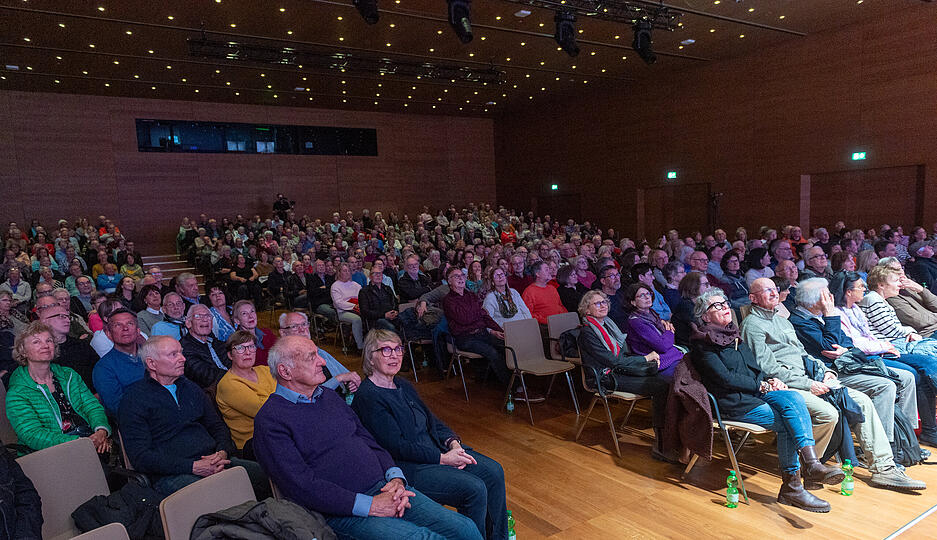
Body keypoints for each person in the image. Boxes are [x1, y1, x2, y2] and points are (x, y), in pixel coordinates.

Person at [252, 336, 482, 540]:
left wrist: (396, 478)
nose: (322, 361)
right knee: (426, 538)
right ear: (285, 372)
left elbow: (367, 439)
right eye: (312, 357)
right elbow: (301, 485)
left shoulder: (328, 397)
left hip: (384, 488)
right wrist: (370, 505)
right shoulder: (270, 420)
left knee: (465, 528)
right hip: (340, 512)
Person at [742, 277, 925, 490]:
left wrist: (825, 371)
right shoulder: (752, 325)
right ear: (753, 298)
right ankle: (808, 467)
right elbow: (768, 368)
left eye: (774, 289)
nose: (774, 293)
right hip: (785, 387)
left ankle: (884, 468)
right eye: (767, 291)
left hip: (809, 379)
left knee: (862, 401)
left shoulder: (782, 320)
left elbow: (804, 355)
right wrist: (807, 384)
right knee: (828, 413)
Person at [690, 288, 843, 513]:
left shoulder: (733, 336)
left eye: (725, 303)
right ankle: (794, 485)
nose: (725, 308)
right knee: (788, 422)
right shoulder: (702, 343)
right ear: (705, 316)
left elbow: (755, 368)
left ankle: (810, 466)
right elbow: (724, 378)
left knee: (792, 396)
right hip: (732, 402)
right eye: (717, 306)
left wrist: (770, 380)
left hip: (755, 393)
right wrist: (760, 385)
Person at [352, 329, 508, 540]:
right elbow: (397, 446)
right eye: (386, 350)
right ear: (371, 357)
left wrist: (453, 443)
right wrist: (443, 459)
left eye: (398, 349)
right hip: (411, 466)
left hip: (436, 448)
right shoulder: (368, 396)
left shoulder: (402, 384)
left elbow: (431, 420)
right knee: (474, 488)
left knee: (493, 471)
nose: (394, 355)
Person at [118, 335, 268, 496]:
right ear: (151, 363)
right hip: (173, 473)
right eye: (173, 354)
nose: (183, 359)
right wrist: (193, 466)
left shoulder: (191, 388)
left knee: (268, 475)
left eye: (181, 353)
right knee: (219, 493)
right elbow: (141, 457)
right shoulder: (134, 399)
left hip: (215, 460)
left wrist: (222, 452)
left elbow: (217, 426)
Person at [788, 278, 919, 448]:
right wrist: (830, 316)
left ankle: (908, 441)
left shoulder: (818, 317)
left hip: (849, 364)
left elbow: (848, 342)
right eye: (826, 295)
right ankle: (885, 445)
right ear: (813, 301)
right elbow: (829, 346)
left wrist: (846, 350)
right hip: (832, 373)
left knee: (907, 377)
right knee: (885, 386)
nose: (831, 297)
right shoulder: (800, 322)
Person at [577, 290, 671, 459]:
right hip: (603, 377)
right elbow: (613, 361)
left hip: (619, 370)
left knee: (665, 379)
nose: (603, 305)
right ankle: (662, 442)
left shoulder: (609, 325)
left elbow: (623, 355)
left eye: (604, 302)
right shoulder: (587, 332)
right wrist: (644, 359)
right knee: (661, 386)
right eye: (597, 303)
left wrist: (642, 360)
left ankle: (669, 435)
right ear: (587, 310)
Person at [7, 322, 111, 453]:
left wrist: (100, 431)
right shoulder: (17, 392)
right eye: (36, 342)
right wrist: (82, 443)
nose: (45, 345)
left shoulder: (69, 375)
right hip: (51, 453)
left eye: (49, 340)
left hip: (88, 437)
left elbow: (91, 406)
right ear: (23, 351)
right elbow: (32, 434)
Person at [442, 266, 514, 390]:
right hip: (465, 338)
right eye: (456, 276)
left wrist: (500, 330)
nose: (460, 278)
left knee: (507, 346)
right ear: (449, 281)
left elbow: (484, 315)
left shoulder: (471, 295)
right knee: (492, 352)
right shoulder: (448, 300)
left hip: (481, 333)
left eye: (462, 275)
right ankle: (512, 388)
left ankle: (508, 381)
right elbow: (465, 319)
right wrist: (478, 315)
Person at [215, 329, 277, 459]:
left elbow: (291, 392)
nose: (247, 352)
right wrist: (278, 396)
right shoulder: (228, 384)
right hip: (252, 443)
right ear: (230, 355)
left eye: (251, 347)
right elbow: (266, 411)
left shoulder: (265, 370)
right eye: (240, 348)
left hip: (278, 431)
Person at [279, 311, 362, 392]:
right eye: (294, 326)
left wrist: (351, 382)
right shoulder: (286, 361)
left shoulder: (318, 351)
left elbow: (346, 373)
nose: (302, 329)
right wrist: (339, 379)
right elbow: (309, 395)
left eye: (304, 324)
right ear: (283, 333)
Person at [92, 308, 145, 415]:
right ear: (109, 334)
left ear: (138, 331)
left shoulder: (153, 355)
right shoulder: (103, 368)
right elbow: (118, 408)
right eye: (118, 325)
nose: (125, 328)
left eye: (130, 323)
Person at [622, 283, 683, 377]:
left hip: (670, 355)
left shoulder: (652, 314)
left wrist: (667, 332)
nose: (647, 297)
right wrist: (669, 332)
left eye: (648, 293)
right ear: (633, 302)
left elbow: (667, 342)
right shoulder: (636, 321)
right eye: (642, 295)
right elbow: (662, 346)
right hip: (659, 362)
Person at [39, 302, 97, 392]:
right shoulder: (39, 351)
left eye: (67, 317)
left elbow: (99, 370)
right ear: (45, 321)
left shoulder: (81, 345)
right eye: (61, 316)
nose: (68, 320)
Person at [179, 303, 230, 389]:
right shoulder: (184, 348)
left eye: (208, 316)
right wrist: (237, 376)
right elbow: (206, 376)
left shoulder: (217, 343)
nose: (205, 319)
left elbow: (233, 362)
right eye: (198, 316)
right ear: (188, 323)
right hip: (212, 391)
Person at [232, 300, 276, 366]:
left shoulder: (267, 333)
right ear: (237, 321)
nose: (250, 316)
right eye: (244, 313)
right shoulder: (238, 344)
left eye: (252, 311)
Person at [331, 263, 365, 350]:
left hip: (358, 309)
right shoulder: (335, 286)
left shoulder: (355, 285)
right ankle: (360, 346)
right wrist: (354, 306)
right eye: (344, 271)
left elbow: (362, 296)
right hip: (343, 312)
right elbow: (339, 303)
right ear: (339, 272)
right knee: (357, 319)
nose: (347, 273)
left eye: (348, 271)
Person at [359, 266, 400, 333]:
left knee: (406, 320)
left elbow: (395, 302)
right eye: (375, 274)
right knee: (391, 327)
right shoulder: (364, 291)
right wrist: (384, 315)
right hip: (375, 319)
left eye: (380, 273)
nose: (378, 276)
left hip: (392, 316)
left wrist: (395, 311)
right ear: (370, 277)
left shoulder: (387, 288)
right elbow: (365, 311)